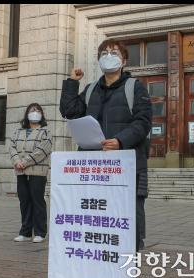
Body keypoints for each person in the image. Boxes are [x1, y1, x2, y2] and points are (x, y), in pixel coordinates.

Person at [59, 39, 152, 252]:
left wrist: (120, 141)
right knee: (96, 214)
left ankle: (130, 261)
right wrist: (73, 82)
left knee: (128, 213)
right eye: (104, 53)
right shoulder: (91, 89)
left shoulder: (135, 88)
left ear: (124, 60)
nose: (109, 56)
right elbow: (69, 111)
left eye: (114, 52)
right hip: (94, 165)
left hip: (126, 164)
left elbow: (143, 122)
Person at [9, 103, 52, 243]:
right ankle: (25, 232)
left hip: (37, 172)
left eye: (37, 110)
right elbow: (12, 147)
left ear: (42, 114)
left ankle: (40, 232)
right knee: (24, 201)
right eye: (32, 110)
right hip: (20, 172)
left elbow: (42, 151)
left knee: (37, 200)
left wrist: (25, 162)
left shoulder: (45, 132)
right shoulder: (18, 132)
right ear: (27, 114)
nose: (35, 112)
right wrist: (16, 161)